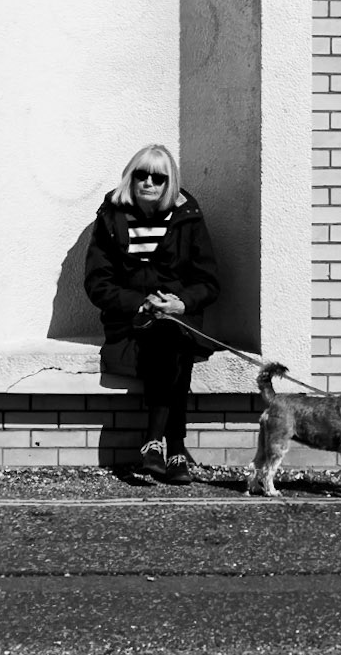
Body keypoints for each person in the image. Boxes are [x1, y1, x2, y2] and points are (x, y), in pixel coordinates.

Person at [84, 144, 221, 485]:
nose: (149, 183)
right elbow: (98, 283)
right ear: (130, 177)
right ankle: (174, 446)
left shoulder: (187, 218)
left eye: (158, 178)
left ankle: (153, 443)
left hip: (177, 318)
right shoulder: (110, 219)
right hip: (130, 321)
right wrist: (140, 302)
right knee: (173, 347)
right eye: (141, 174)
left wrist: (180, 304)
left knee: (172, 337)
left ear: (169, 183)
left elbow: (208, 282)